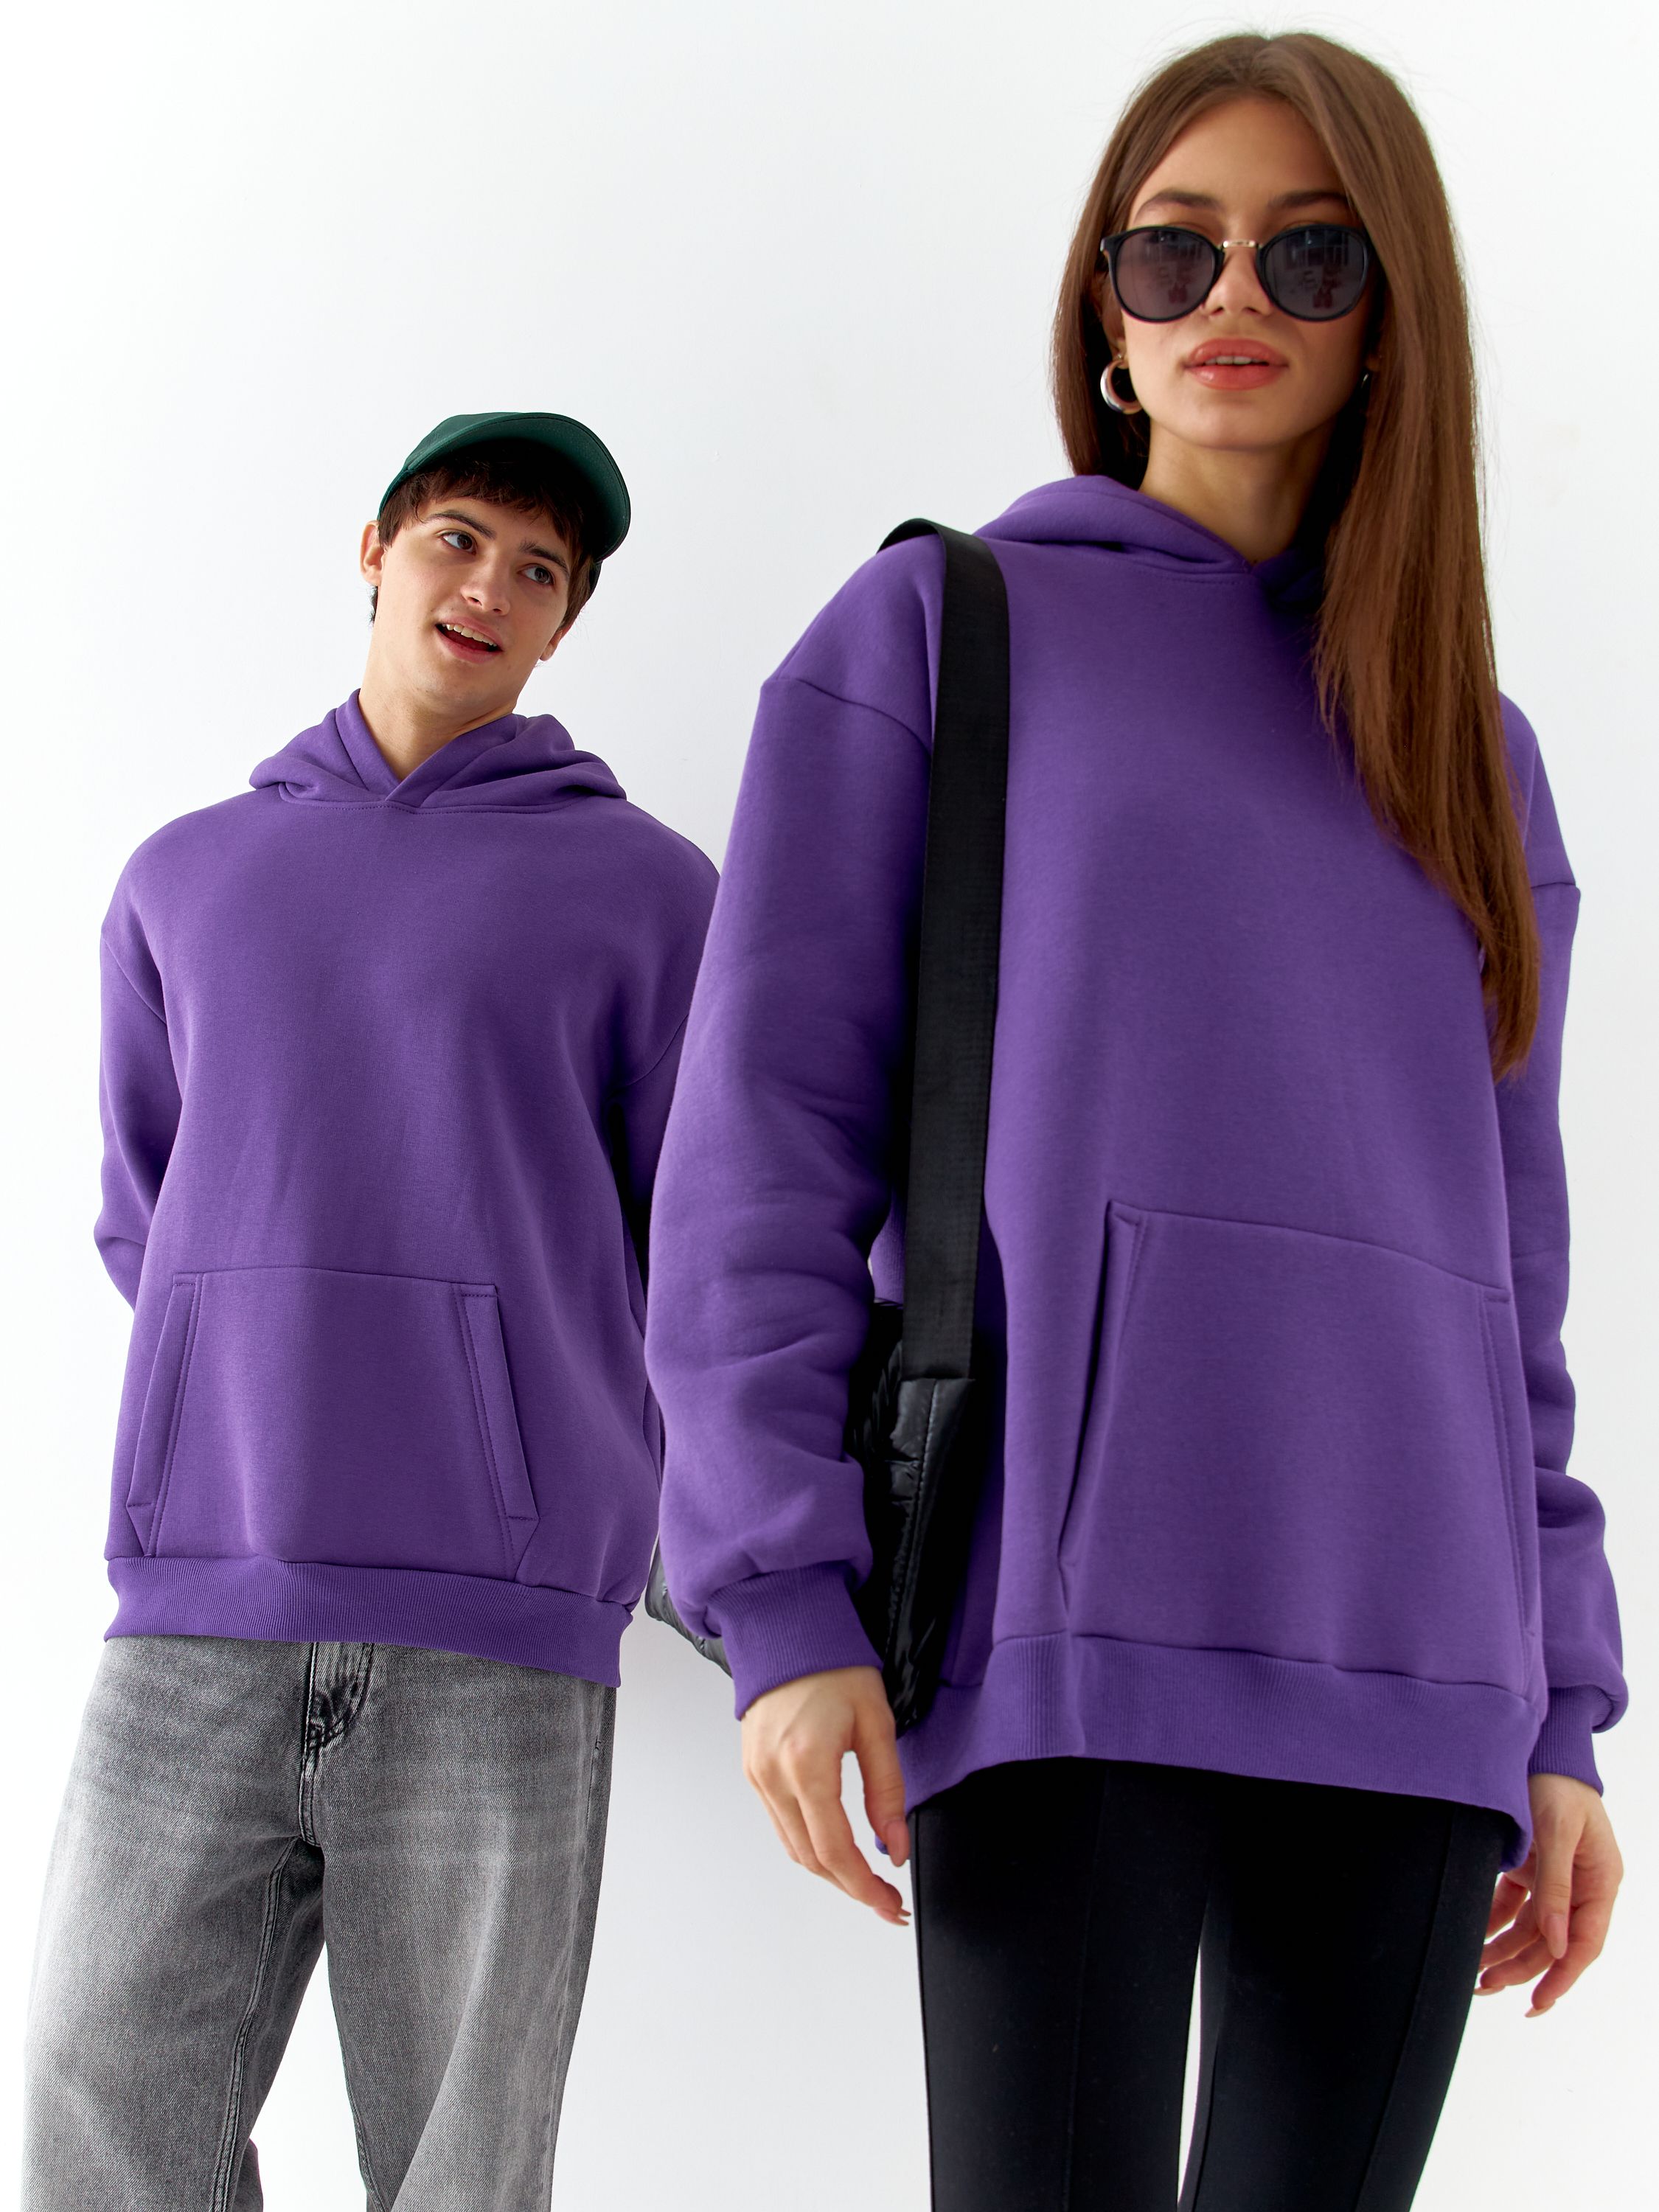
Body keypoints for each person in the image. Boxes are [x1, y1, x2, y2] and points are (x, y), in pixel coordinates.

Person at [641, 34, 1627, 2211]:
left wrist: (1561, 1700)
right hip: (1055, 1626)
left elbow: (1514, 1275)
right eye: (1171, 252)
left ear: (1392, 318)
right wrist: (782, 1600)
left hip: (1420, 1651)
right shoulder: (937, 635)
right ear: (1105, 305)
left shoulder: (1473, 753)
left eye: (1308, 253)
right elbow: (762, 1149)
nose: (1230, 295)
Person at [24, 411, 718, 2210]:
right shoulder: (186, 878)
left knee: (460, 2174)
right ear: (377, 552)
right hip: (204, 1598)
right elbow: (149, 1216)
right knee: (94, 2118)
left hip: (501, 1633)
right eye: (458, 539)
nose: (488, 587)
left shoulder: (651, 897)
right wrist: (256, 1383)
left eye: (539, 571)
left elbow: (711, 1248)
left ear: (564, 623)